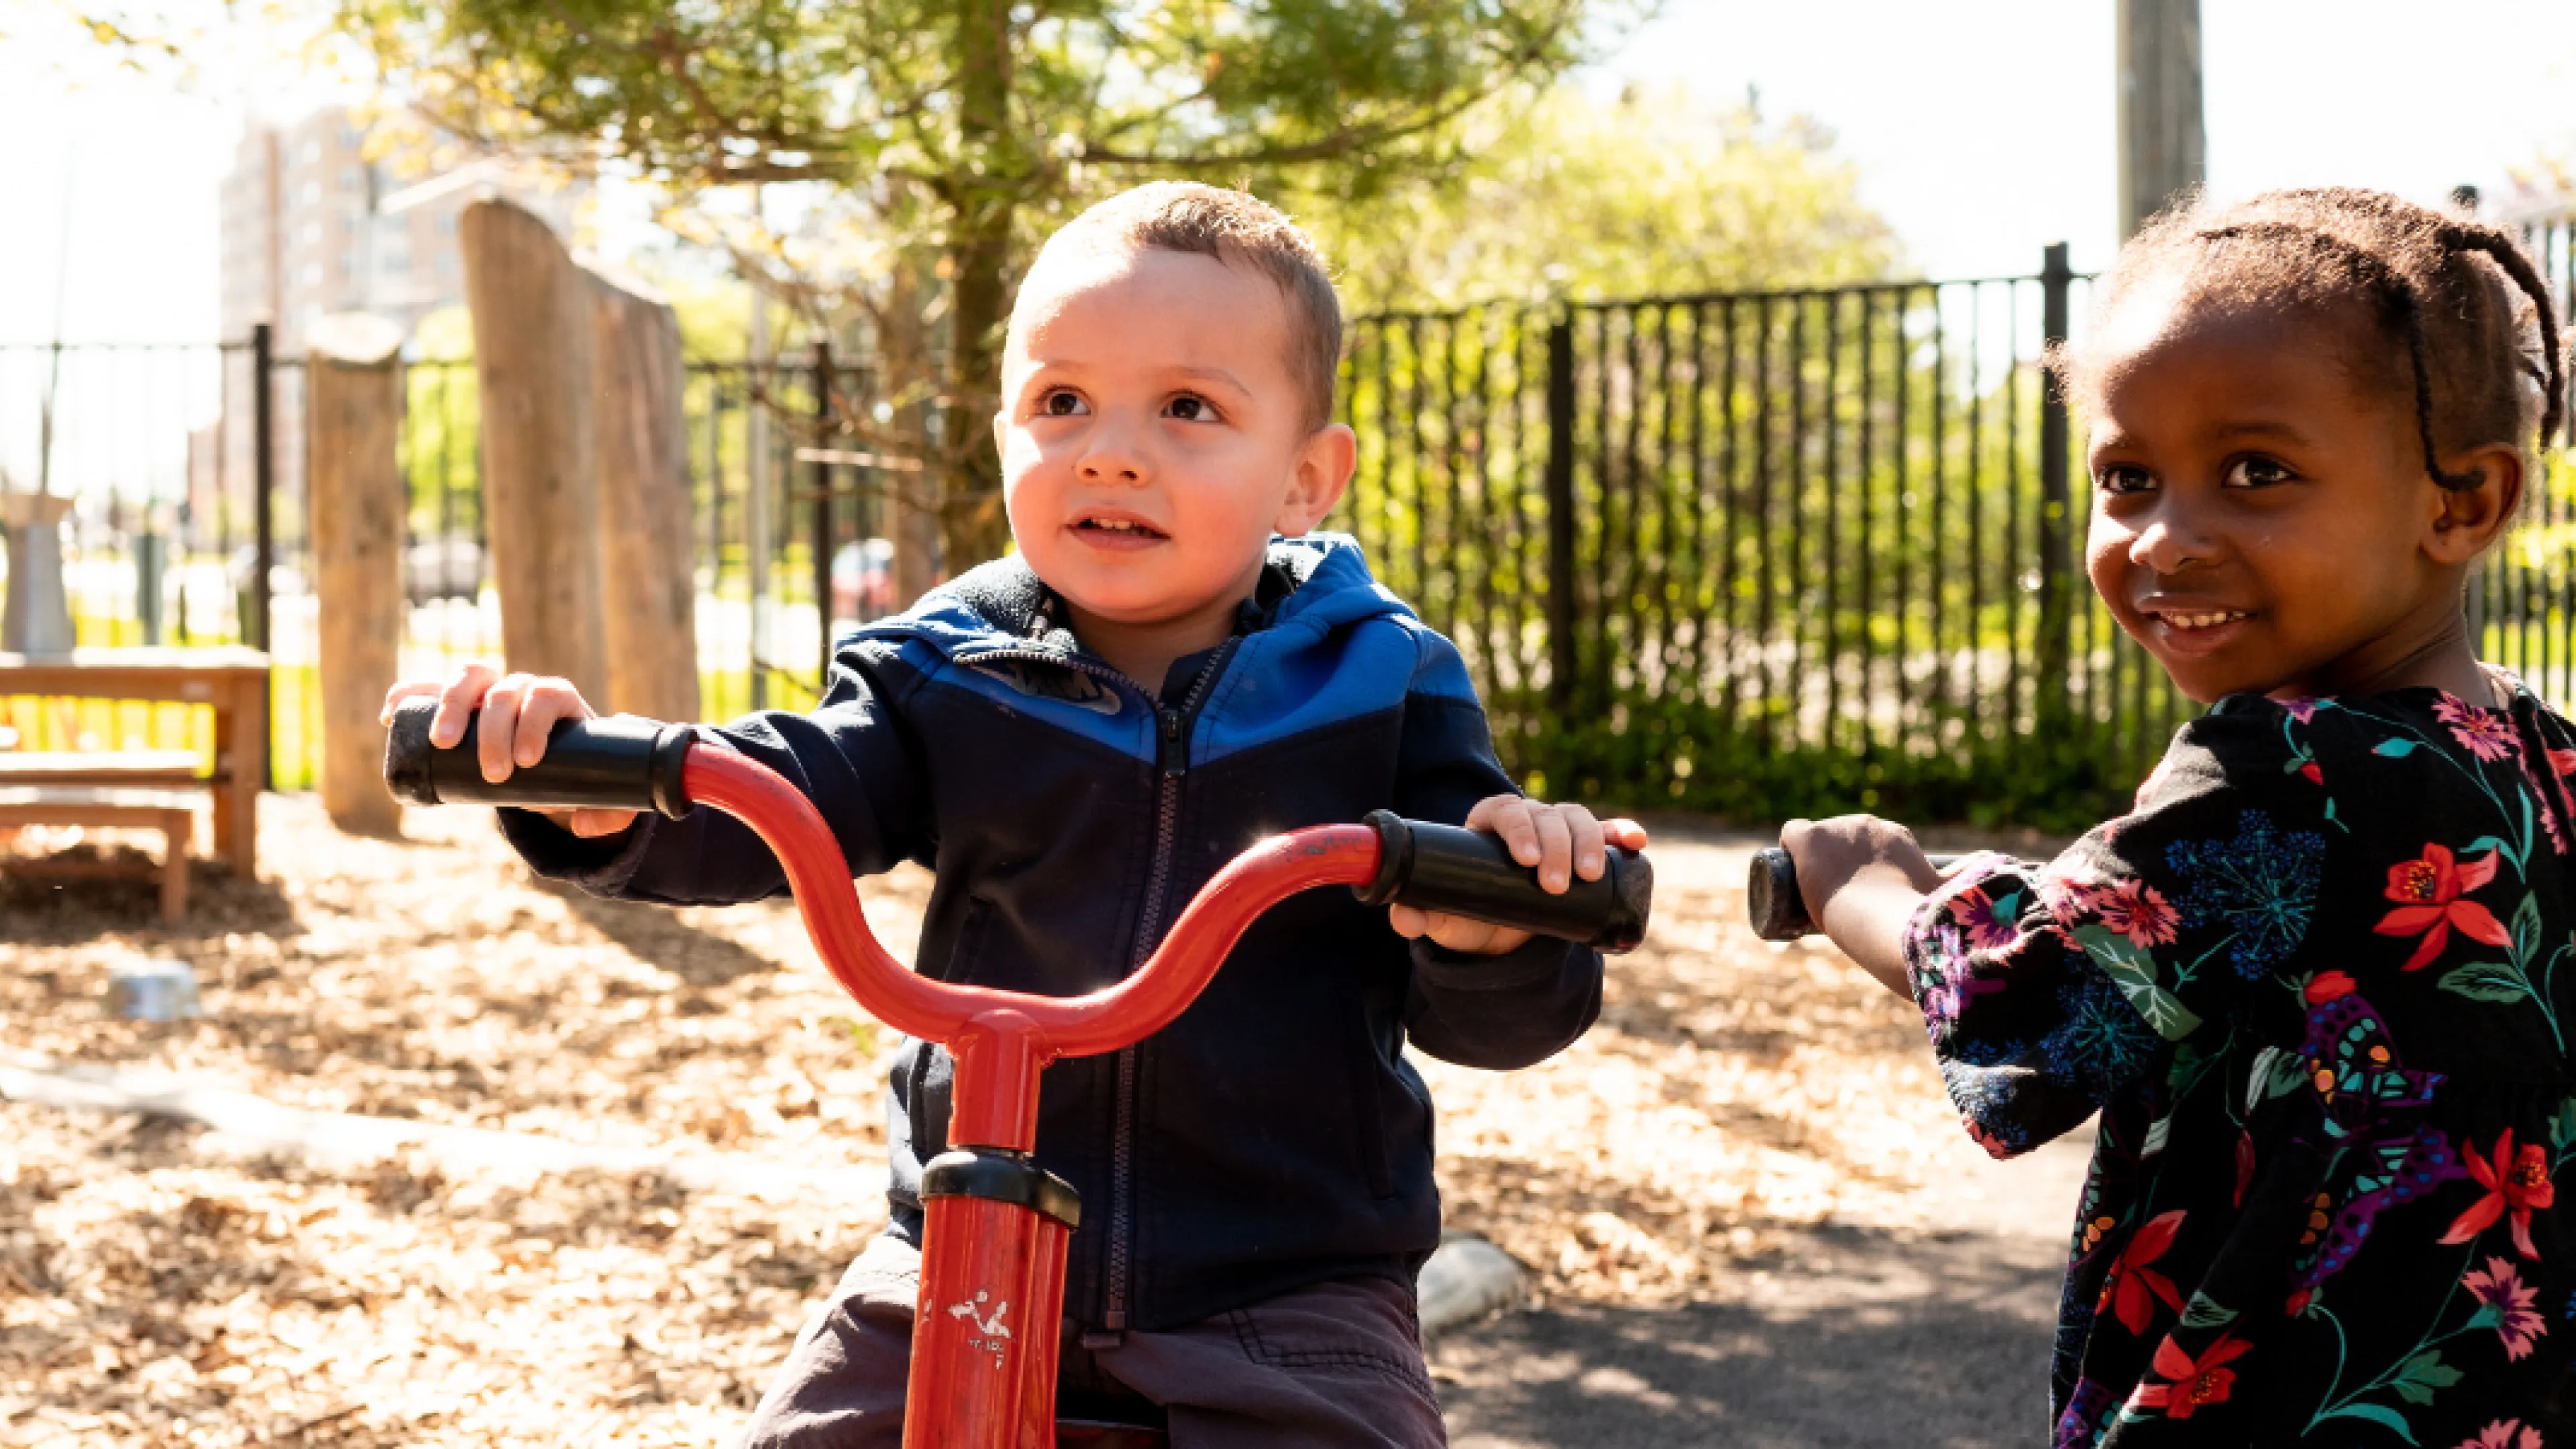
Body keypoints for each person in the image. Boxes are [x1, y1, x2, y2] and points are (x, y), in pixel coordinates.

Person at [384, 180, 1644, 1448]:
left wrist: (1502, 930)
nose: (1109, 450)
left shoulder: (1380, 684)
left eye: (1189, 409)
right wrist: (604, 798)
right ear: (1005, 448)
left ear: (1305, 479)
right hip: (955, 1254)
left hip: (1283, 1287)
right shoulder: (946, 669)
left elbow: (1498, 988)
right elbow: (788, 792)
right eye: (1061, 403)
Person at [1779, 188, 2573, 1446]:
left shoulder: (2284, 763)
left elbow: (2031, 993)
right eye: (2128, 476)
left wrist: (1862, 886)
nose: (2165, 537)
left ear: (2462, 502)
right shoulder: (2544, 759)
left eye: (2258, 472)